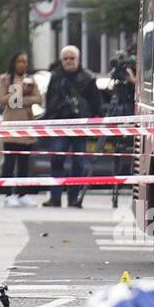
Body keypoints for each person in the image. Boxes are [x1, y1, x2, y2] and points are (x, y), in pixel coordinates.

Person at [42, 45, 102, 207]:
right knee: (56, 159)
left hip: (80, 126)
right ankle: (55, 197)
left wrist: (92, 121)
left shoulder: (88, 78)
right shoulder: (55, 77)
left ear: (78, 59)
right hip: (60, 124)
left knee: (79, 163)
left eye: (72, 58)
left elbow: (96, 104)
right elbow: (49, 100)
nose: (68, 61)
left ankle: (73, 197)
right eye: (65, 59)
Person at [0, 51, 43, 207]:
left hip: (27, 125)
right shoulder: (6, 79)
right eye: (19, 61)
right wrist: (19, 93)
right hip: (11, 125)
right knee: (9, 162)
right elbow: (2, 100)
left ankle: (23, 193)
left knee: (24, 162)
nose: (23, 64)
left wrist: (20, 99)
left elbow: (38, 98)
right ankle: (8, 194)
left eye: (25, 62)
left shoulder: (31, 80)